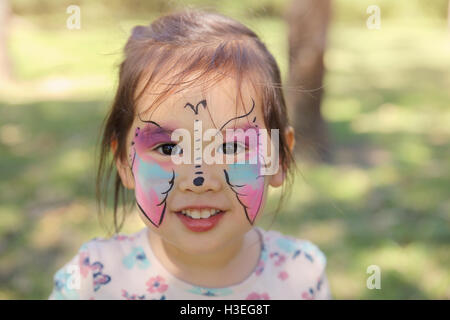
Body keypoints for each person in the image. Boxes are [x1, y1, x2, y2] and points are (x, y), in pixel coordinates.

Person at [48, 9, 332, 300]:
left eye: (231, 147)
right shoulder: (93, 282)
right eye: (168, 148)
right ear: (123, 161)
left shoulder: (301, 275)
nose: (199, 180)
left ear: (279, 157)